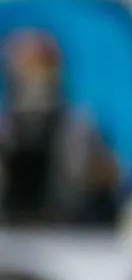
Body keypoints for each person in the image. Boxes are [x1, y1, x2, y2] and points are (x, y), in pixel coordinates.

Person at [0, 31, 124, 230]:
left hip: (66, 231)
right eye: (28, 65)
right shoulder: (5, 128)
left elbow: (109, 183)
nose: (36, 74)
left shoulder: (80, 129)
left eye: (43, 64)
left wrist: (102, 175)